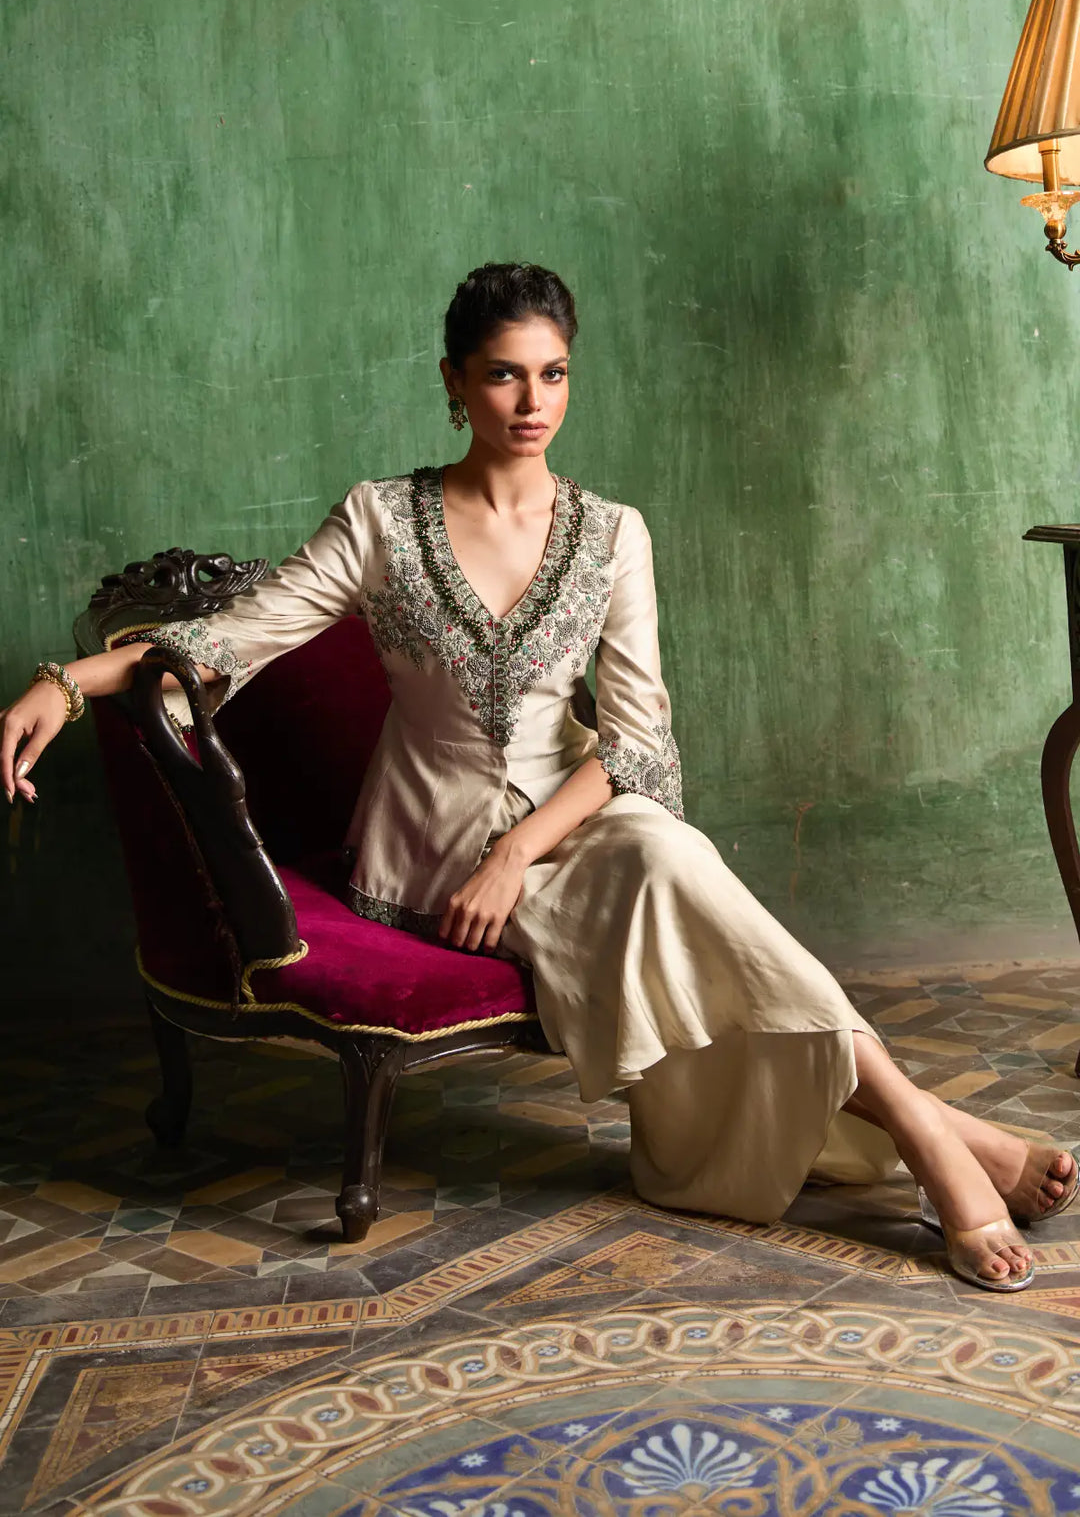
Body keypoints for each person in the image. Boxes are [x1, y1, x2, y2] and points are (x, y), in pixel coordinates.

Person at [2, 262, 1075, 1293]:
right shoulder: (381, 520)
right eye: (505, 373)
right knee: (674, 874)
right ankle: (939, 1127)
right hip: (429, 850)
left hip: (572, 821)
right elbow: (231, 638)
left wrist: (520, 851)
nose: (531, 400)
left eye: (552, 372)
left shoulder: (614, 535)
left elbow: (641, 739)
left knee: (662, 847)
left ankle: (930, 1132)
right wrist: (65, 680)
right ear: (455, 383)